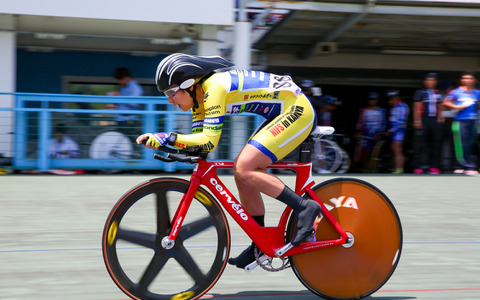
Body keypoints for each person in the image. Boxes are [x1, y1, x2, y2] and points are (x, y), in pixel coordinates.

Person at [137, 53, 321, 268]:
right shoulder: (198, 101)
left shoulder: (214, 89)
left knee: (244, 167)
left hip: (296, 111)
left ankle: (305, 207)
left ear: (188, 84)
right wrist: (168, 144)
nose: (169, 99)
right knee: (242, 174)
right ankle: (260, 243)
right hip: (280, 111)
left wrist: (165, 137)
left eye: (171, 92)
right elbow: (200, 144)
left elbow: (208, 142)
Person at [442, 71, 480, 175]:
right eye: (464, 78)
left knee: (470, 144)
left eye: (469, 78)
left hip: (472, 121)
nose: (466, 80)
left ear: (474, 80)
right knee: (461, 144)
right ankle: (464, 166)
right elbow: (445, 102)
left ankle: (462, 166)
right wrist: (457, 107)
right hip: (460, 121)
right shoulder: (456, 91)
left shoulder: (477, 92)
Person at [412, 73, 444, 174]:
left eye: (431, 80)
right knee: (420, 144)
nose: (429, 82)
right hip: (423, 119)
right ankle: (418, 166)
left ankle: (433, 166)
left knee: (435, 143)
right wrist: (417, 120)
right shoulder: (420, 92)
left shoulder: (438, 93)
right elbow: (416, 107)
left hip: (434, 120)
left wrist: (440, 118)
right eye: (427, 80)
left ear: (435, 82)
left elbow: (440, 106)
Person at [107, 67, 144, 138]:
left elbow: (135, 103)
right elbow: (121, 103)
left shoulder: (136, 88)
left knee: (129, 142)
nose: (119, 82)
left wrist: (118, 95)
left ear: (126, 77)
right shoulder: (123, 88)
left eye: (120, 79)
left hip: (129, 121)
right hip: (121, 120)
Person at [355, 92, 386, 171]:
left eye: (374, 99)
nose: (372, 101)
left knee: (376, 153)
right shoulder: (364, 110)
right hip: (366, 134)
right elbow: (360, 121)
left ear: (377, 100)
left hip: (377, 135)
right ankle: (366, 168)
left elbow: (384, 123)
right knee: (366, 153)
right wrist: (359, 131)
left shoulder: (381, 111)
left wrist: (380, 132)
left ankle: (375, 169)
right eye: (370, 99)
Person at [386, 89, 410, 174]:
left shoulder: (402, 106)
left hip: (399, 130)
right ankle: (395, 168)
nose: (389, 101)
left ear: (396, 98)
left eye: (391, 99)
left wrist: (391, 131)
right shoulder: (394, 107)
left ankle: (399, 169)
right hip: (393, 131)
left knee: (397, 150)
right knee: (393, 150)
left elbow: (401, 121)